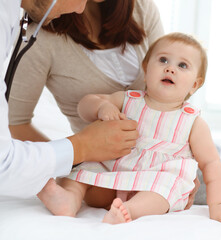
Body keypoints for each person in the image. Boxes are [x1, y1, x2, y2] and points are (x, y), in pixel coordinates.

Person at [8, 0, 221, 210]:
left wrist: (182, 173)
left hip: (173, 149)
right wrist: (78, 153)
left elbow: (174, 65)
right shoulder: (42, 33)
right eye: (161, 62)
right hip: (113, 161)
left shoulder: (139, 8)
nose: (167, 67)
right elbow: (16, 123)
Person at [39, 32, 221, 224]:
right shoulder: (128, 100)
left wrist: (218, 204)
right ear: (145, 71)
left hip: (152, 182)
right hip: (111, 175)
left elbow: (211, 164)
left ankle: (128, 210)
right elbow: (84, 105)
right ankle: (69, 199)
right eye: (163, 60)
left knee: (167, 186)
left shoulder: (193, 122)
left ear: (194, 85)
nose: (170, 68)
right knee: (83, 167)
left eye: (182, 65)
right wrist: (102, 107)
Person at [0, 0, 140, 199]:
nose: (81, 8)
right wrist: (82, 149)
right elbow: (3, 160)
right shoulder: (29, 30)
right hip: (99, 163)